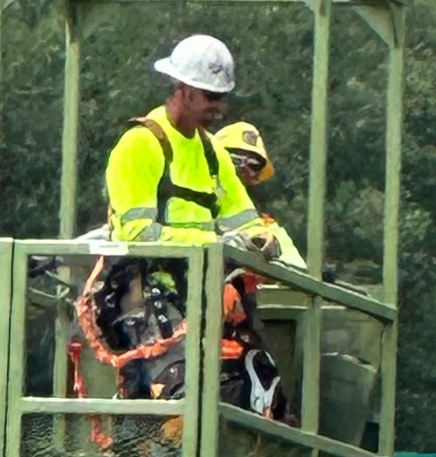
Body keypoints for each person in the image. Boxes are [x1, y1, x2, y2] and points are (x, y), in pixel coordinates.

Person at [90, 35, 288, 414]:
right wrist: (216, 242)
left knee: (261, 393)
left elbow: (244, 218)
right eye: (211, 97)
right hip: (145, 298)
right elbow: (136, 234)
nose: (220, 107)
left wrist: (263, 239)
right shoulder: (140, 145)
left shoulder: (213, 152)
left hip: (203, 298)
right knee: (171, 413)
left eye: (222, 97)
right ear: (183, 89)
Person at [211, 122, 306, 270]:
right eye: (234, 158)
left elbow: (296, 269)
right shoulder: (188, 196)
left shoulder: (265, 226)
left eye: (254, 164)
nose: (243, 167)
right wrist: (221, 242)